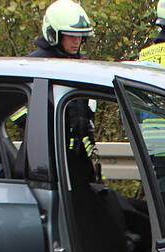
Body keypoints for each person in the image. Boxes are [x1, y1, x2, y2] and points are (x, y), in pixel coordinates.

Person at [24, 0, 97, 160]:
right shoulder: (34, 64)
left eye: (80, 36)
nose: (77, 41)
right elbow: (14, 105)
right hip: (47, 155)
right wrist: (42, 131)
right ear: (54, 34)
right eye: (71, 36)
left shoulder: (83, 65)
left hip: (78, 154)